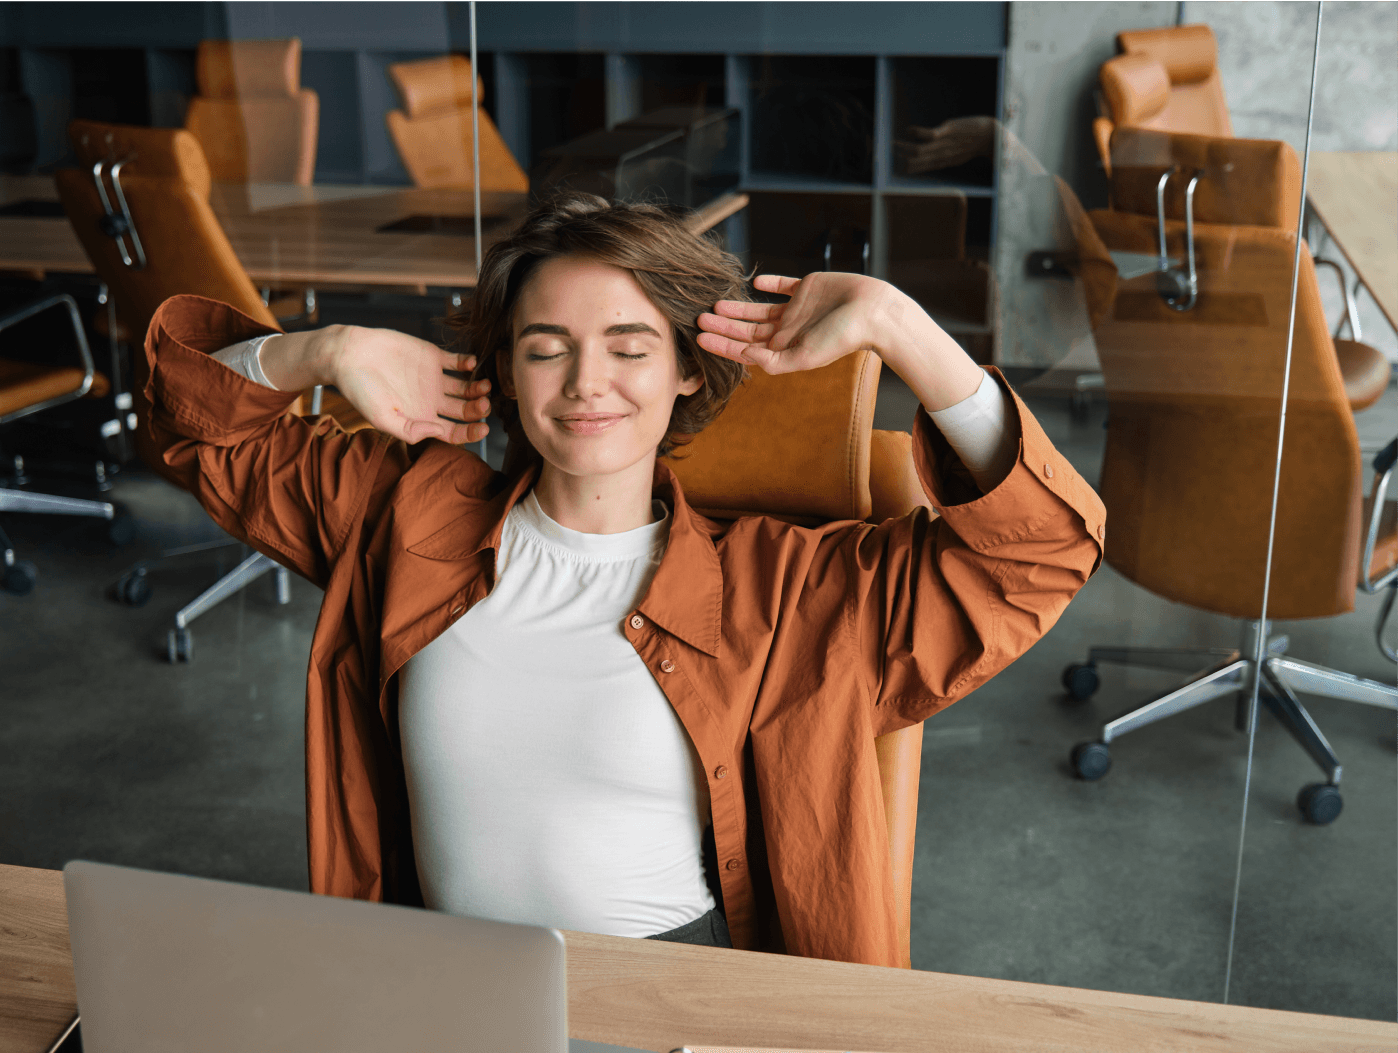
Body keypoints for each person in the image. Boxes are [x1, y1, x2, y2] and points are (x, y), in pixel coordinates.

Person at [135, 194, 1105, 966]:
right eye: (544, 350)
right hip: (440, 989)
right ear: (507, 374)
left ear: (687, 366)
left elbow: (1040, 553)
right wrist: (325, 350)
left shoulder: (786, 590)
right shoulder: (406, 517)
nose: (584, 382)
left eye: (629, 348)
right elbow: (189, 426)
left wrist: (903, 331)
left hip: (669, 995)